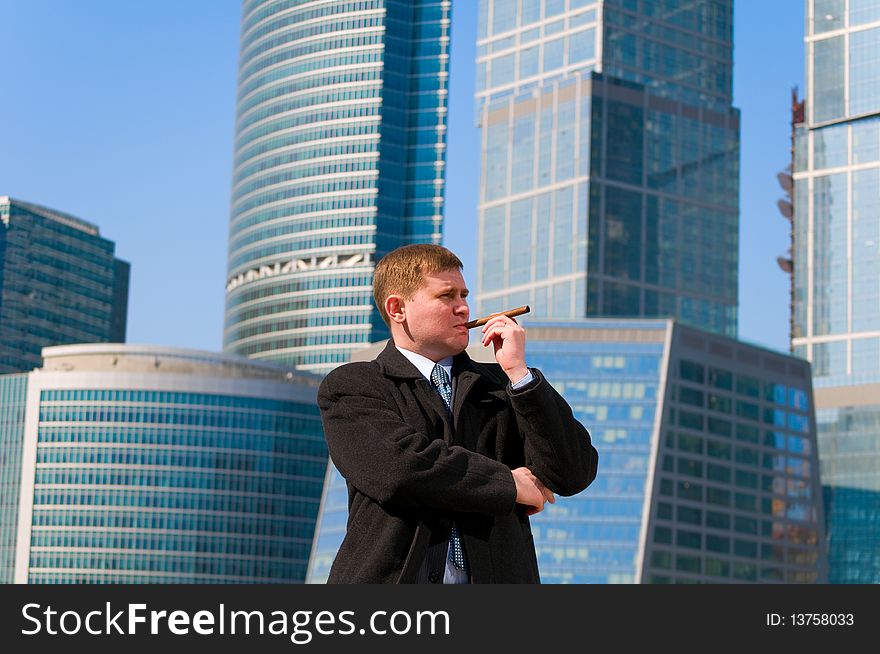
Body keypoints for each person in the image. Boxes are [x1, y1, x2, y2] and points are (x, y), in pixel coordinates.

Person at [317, 244, 598, 583]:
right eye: (446, 296)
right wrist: (508, 483)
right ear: (398, 309)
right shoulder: (353, 386)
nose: (463, 308)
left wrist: (521, 376)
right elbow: (400, 467)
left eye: (464, 295)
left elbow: (573, 472)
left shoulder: (502, 386)